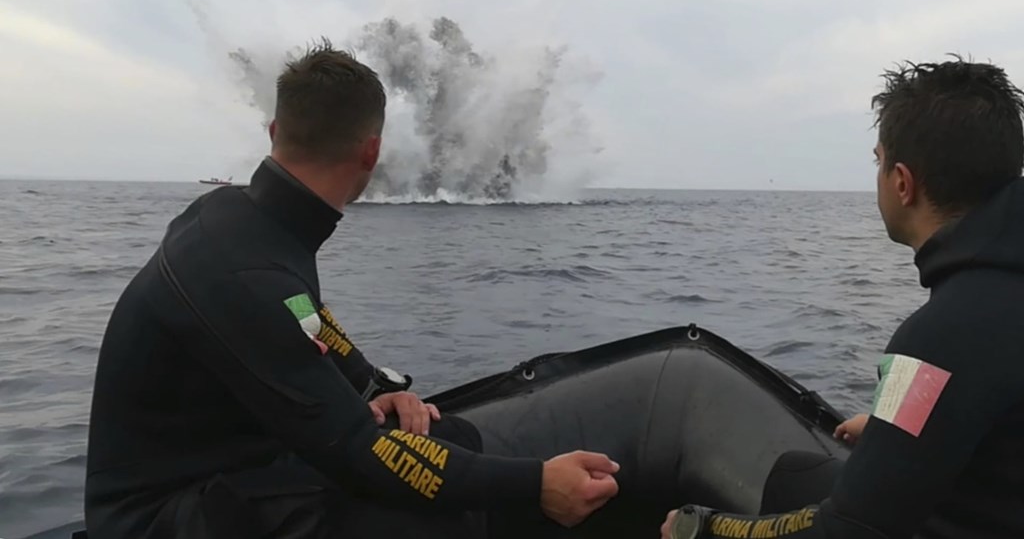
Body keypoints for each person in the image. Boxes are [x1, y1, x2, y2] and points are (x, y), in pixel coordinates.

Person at [83, 38, 620, 539]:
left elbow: (305, 319)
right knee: (426, 521)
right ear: (372, 152)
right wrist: (535, 485)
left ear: (274, 131)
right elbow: (357, 451)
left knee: (447, 438)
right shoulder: (246, 274)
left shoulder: (234, 218)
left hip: (233, 464)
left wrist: (371, 385)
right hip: (156, 518)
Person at [661, 56, 1024, 538]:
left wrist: (702, 529)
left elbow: (852, 531)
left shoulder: (938, 337)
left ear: (902, 183)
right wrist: (895, 425)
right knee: (796, 473)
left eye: (878, 161)